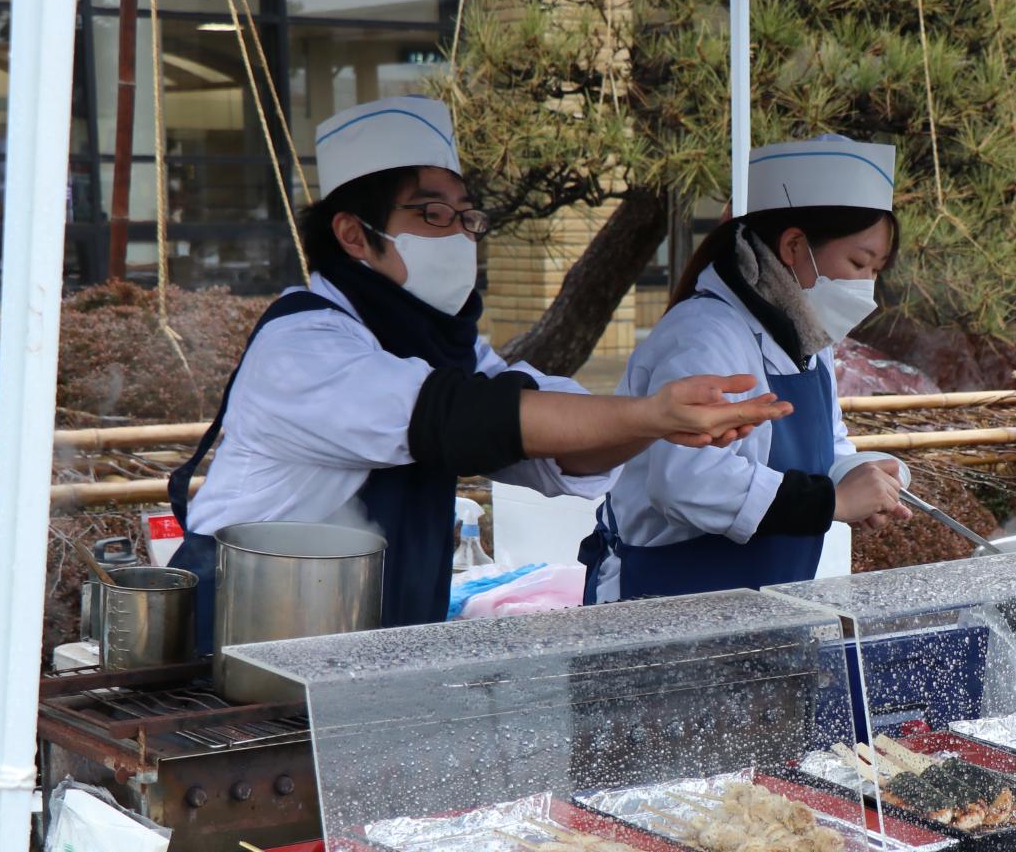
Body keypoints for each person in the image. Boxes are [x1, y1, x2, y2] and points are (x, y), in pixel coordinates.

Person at [168, 96, 787, 642]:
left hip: (375, 650)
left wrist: (660, 424)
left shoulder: (443, 347)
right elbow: (453, 416)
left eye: (466, 217)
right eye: (432, 215)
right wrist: (648, 412)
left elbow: (554, 449)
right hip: (245, 641)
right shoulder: (303, 343)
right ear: (354, 235)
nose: (460, 235)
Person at [583, 135, 912, 602]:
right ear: (795, 246)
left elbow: (828, 447)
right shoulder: (704, 334)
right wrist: (832, 501)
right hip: (668, 603)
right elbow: (686, 482)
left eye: (877, 269)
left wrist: (862, 475)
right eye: (859, 263)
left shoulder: (810, 337)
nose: (867, 287)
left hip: (770, 603)